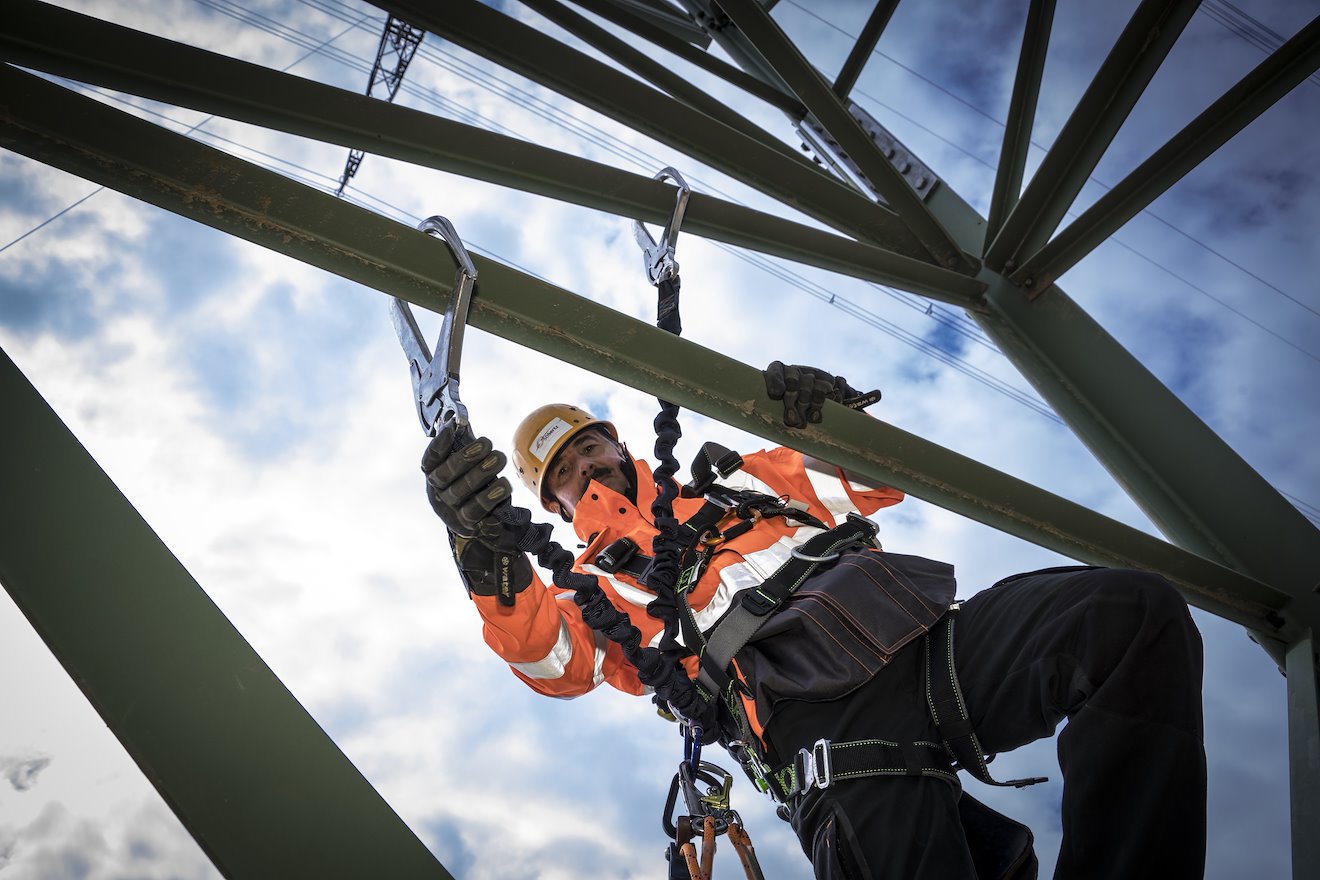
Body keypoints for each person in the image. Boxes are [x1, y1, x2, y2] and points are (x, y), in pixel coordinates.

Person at [421, 363, 1206, 879]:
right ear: (551, 501)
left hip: (927, 645)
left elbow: (869, 472)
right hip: (824, 737)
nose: (585, 467)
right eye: (563, 470)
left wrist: (828, 415)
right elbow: (550, 661)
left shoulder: (740, 483)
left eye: (590, 446)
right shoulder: (587, 589)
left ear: (620, 445)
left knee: (1128, 616)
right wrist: (483, 553)